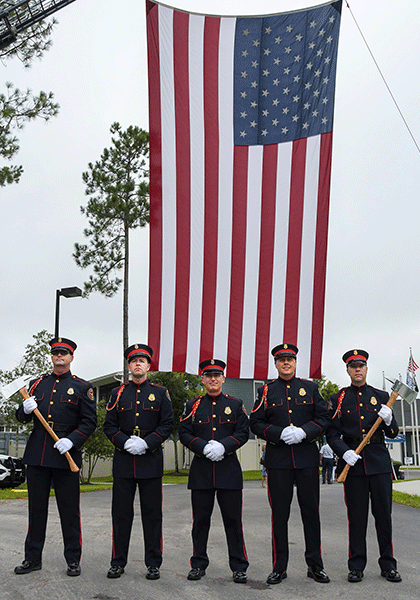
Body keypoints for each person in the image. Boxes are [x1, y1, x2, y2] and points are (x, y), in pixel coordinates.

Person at [14, 337, 97, 577]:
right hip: (38, 453)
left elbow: (89, 421)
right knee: (36, 511)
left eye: (64, 353)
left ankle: (73, 559)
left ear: (71, 357)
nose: (59, 356)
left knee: (69, 512)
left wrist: (72, 440)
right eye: (56, 353)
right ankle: (32, 559)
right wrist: (24, 409)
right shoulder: (37, 384)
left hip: (65, 455)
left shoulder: (82, 387)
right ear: (51, 356)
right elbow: (22, 418)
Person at [249, 343, 331, 585]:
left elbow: (324, 417)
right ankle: (279, 566)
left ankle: (315, 565)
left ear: (296, 363)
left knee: (311, 514)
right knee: (279, 516)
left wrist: (305, 432)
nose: (286, 363)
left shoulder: (311, 388)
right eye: (281, 359)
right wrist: (277, 433)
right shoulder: (266, 391)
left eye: (290, 359)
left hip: (306, 459)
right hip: (279, 461)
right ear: (275, 364)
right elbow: (255, 422)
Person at [327, 349, 401, 583]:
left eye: (361, 365)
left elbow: (393, 432)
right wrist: (343, 452)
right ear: (347, 370)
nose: (357, 369)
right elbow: (332, 433)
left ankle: (388, 564)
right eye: (353, 366)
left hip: (378, 464)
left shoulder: (381, 396)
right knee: (356, 518)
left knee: (383, 517)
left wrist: (389, 419)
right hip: (354, 466)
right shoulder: (338, 398)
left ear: (366, 368)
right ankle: (356, 565)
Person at [103, 344, 174, 581]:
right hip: (124, 462)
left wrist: (147, 443)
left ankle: (153, 563)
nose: (138, 364)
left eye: (142, 360)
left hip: (150, 461)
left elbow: (167, 424)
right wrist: (124, 442)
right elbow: (109, 426)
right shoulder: (117, 393)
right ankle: (117, 562)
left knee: (152, 515)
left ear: (149, 365)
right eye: (133, 361)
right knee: (121, 515)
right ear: (128, 365)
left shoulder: (161, 393)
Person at [179, 359, 249, 584]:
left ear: (223, 378)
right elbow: (184, 432)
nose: (213, 379)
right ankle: (198, 564)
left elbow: (243, 432)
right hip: (201, 471)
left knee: (233, 522)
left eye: (217, 375)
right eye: (208, 375)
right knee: (200, 522)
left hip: (228, 470)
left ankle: (239, 566)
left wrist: (224, 446)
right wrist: (202, 447)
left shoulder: (236, 404)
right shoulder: (192, 405)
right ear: (202, 379)